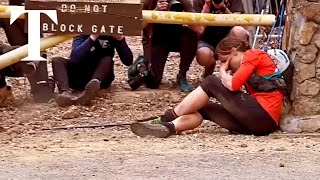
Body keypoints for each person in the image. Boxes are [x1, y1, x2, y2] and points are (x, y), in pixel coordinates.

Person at [130, 37, 284, 138]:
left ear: (234, 52)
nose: (226, 66)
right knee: (201, 108)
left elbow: (233, 85)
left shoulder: (252, 55)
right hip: (253, 124)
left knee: (211, 81)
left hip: (264, 116)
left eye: (226, 61)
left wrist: (222, 71)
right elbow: (235, 90)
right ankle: (169, 127)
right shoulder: (246, 65)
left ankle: (169, 116)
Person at [52, 34, 133, 107]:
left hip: (99, 77)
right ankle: (65, 92)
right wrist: (93, 37)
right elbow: (75, 58)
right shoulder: (82, 34)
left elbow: (128, 61)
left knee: (107, 59)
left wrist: (120, 39)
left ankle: (89, 93)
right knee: (57, 60)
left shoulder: (112, 36)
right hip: (78, 75)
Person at [138, 0, 200, 92]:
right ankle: (141, 64)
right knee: (153, 83)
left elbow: (199, 29)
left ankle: (182, 75)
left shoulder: (182, 1)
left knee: (190, 35)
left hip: (175, 36)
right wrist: (155, 12)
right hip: (157, 38)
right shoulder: (147, 2)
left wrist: (182, 16)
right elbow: (138, 26)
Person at [0, 0, 54, 103]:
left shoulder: (34, 9)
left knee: (43, 97)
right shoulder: (5, 12)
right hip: (14, 57)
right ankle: (3, 88)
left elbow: (38, 47)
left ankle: (50, 79)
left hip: (35, 58)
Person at [193, 0, 249, 78]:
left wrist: (224, 8)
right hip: (206, 39)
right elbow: (200, 30)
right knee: (203, 55)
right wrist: (206, 7)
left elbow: (238, 23)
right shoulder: (199, 1)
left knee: (239, 31)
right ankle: (210, 66)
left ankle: (236, 70)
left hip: (227, 37)